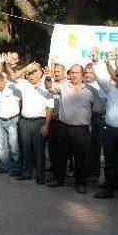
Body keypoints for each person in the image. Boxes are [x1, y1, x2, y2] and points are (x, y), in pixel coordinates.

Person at [45, 64, 94, 194]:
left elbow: (98, 108)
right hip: (63, 127)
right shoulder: (63, 87)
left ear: (82, 74)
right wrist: (49, 78)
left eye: (77, 72)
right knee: (60, 155)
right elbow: (49, 87)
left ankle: (81, 183)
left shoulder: (90, 90)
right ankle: (58, 179)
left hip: (80, 130)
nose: (74, 75)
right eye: (72, 72)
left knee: (81, 158)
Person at [3, 60, 53, 184]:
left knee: (39, 151)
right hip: (24, 121)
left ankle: (41, 176)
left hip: (39, 122)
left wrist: (46, 125)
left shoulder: (47, 87)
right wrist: (25, 68)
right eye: (29, 72)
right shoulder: (24, 84)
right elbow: (12, 76)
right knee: (25, 149)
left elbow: (49, 108)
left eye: (34, 72)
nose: (31, 74)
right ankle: (26, 173)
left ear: (40, 73)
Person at [91, 48, 118, 199]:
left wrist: (116, 61)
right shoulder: (110, 89)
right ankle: (108, 189)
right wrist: (95, 62)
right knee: (109, 161)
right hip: (110, 131)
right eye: (117, 75)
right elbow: (98, 78)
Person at [0, 70, 22, 176]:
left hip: (12, 119)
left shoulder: (13, 87)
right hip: (0, 119)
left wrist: (18, 116)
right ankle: (4, 167)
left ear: (4, 80)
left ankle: (17, 169)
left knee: (14, 146)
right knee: (1, 145)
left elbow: (20, 101)